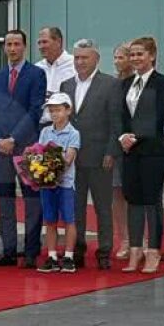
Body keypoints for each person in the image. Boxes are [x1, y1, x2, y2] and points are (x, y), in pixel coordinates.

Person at [0, 29, 47, 267]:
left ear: (24, 47)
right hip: (0, 148)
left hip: (27, 145)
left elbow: (35, 110)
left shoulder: (36, 74)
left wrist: (14, 138)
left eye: (16, 44)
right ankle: (9, 250)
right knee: (4, 200)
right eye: (8, 44)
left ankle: (31, 250)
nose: (12, 48)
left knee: (32, 200)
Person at [63, 39, 121, 270]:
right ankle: (77, 248)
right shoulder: (66, 85)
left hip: (100, 157)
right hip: (73, 160)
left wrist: (111, 151)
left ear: (96, 58)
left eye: (84, 57)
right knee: (75, 207)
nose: (80, 62)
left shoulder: (110, 84)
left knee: (102, 207)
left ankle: (104, 250)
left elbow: (116, 121)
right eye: (77, 57)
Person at [119, 36, 164, 274]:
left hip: (152, 150)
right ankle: (135, 250)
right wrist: (122, 136)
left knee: (152, 201)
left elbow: (157, 115)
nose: (135, 58)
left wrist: (135, 137)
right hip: (129, 152)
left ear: (152, 55)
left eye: (140, 54)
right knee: (133, 200)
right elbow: (120, 115)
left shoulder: (163, 83)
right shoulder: (126, 83)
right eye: (132, 54)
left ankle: (154, 251)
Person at [36, 93, 81, 273]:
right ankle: (52, 256)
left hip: (66, 184)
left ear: (68, 111)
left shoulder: (74, 133)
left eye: (58, 110)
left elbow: (69, 158)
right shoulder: (45, 132)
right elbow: (38, 155)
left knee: (69, 220)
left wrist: (54, 166)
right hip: (47, 184)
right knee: (50, 220)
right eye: (52, 110)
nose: (54, 114)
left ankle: (69, 256)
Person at [111, 42, 134, 258]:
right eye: (115, 58)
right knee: (117, 195)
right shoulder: (113, 84)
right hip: (116, 147)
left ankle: (142, 239)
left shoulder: (140, 83)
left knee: (136, 196)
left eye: (121, 57)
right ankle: (124, 240)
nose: (117, 62)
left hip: (137, 146)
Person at [36, 26, 76, 125]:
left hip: (67, 127)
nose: (41, 46)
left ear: (58, 42)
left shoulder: (74, 65)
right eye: (39, 43)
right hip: (40, 128)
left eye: (45, 42)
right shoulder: (37, 68)